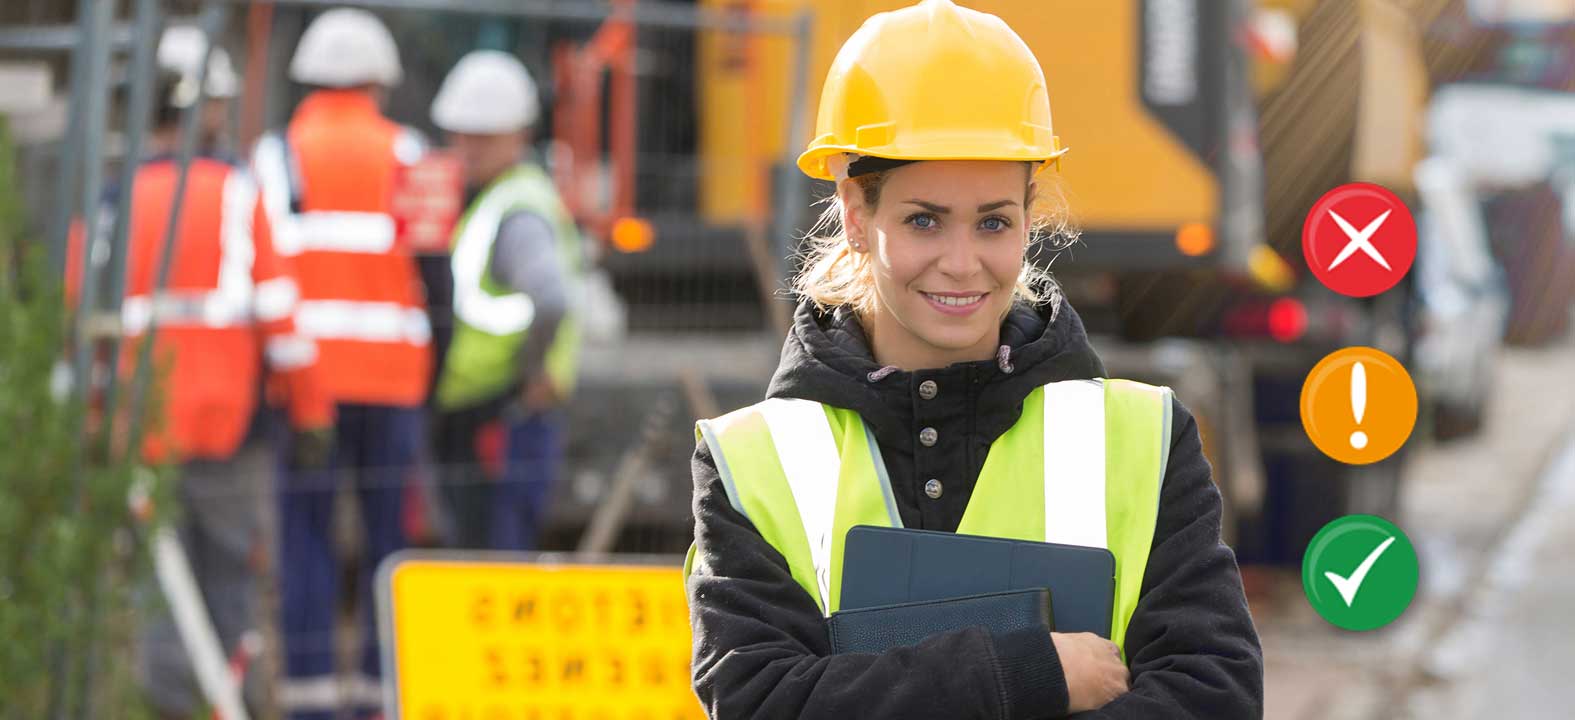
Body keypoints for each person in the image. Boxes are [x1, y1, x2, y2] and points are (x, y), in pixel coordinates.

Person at [683, 2, 1264, 718]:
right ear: (858, 215)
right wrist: (1023, 670)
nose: (962, 264)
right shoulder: (752, 463)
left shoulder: (1143, 439)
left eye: (993, 222)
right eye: (923, 220)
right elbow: (760, 701)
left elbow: (1214, 692)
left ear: (1028, 215)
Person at [68, 57, 332, 718]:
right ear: (205, 112)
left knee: (161, 590)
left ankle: (170, 708)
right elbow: (280, 313)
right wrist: (310, 412)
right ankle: (230, 703)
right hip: (228, 425)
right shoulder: (236, 194)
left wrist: (95, 419)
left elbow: (80, 317)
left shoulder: (110, 201)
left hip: (141, 424)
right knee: (233, 583)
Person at [249, 8, 429, 718]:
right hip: (393, 384)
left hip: (306, 385)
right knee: (389, 539)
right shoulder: (411, 153)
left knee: (306, 535)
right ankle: (385, 694)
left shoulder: (276, 157)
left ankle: (310, 698)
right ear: (379, 81)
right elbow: (436, 270)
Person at [427, 50, 583, 551]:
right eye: (461, 134)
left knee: (493, 555)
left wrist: (533, 374)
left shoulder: (518, 211)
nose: (467, 148)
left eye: (483, 136)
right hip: (483, 410)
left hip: (502, 411)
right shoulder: (494, 198)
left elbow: (551, 299)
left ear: (517, 134)